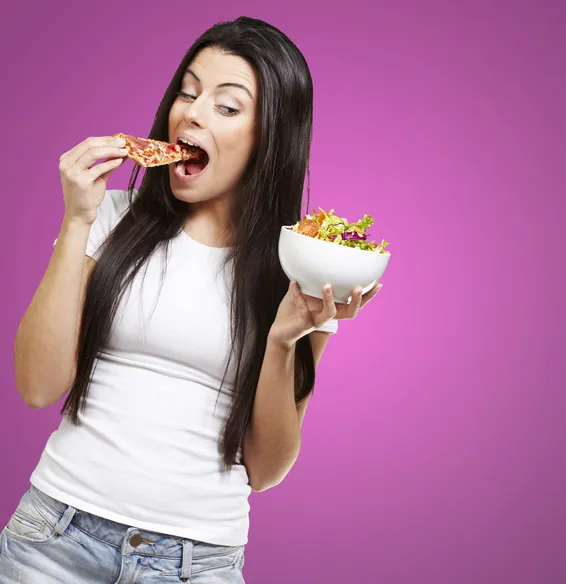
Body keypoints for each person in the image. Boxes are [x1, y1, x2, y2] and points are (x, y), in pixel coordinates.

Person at [1, 16, 382, 584]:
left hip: (196, 561)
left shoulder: (304, 269)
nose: (193, 113)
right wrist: (77, 218)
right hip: (55, 537)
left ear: (270, 136)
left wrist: (284, 339)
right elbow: (36, 384)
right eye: (188, 91)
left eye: (227, 107)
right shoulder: (111, 219)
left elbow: (266, 469)